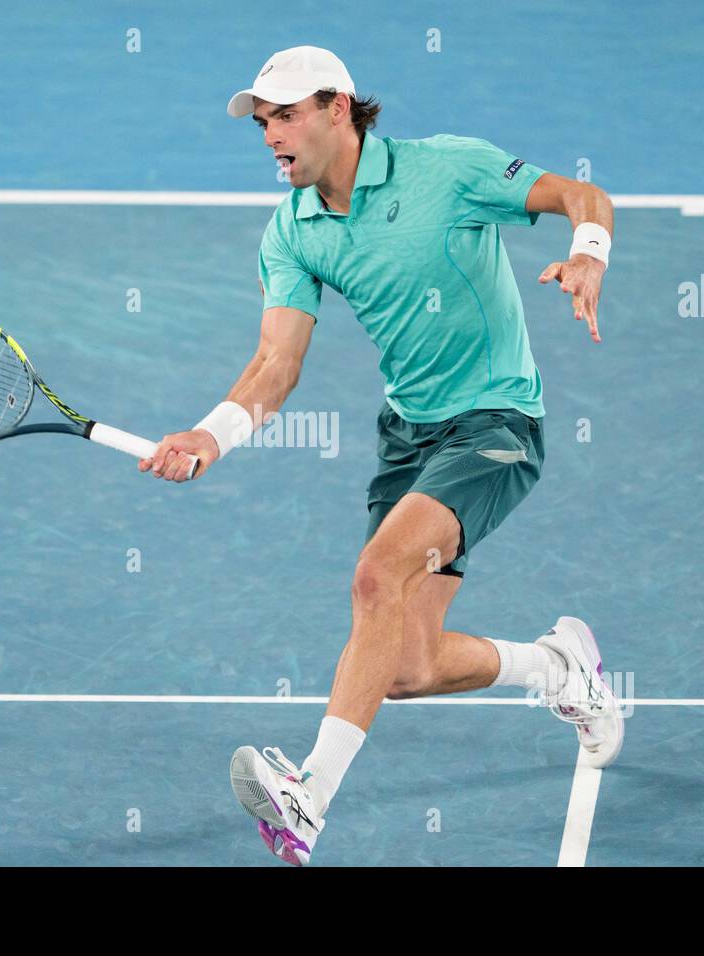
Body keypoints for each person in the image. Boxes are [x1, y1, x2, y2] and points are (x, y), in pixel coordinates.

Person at [139, 45, 623, 866]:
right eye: (262, 123)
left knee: (374, 577)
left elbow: (583, 194)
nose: (269, 137)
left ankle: (310, 799)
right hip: (408, 437)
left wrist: (588, 254)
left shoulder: (448, 171)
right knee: (404, 666)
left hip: (497, 423)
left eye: (284, 117)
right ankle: (556, 668)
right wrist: (209, 434)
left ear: (337, 108)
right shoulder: (293, 230)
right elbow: (276, 365)